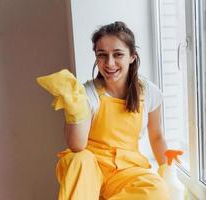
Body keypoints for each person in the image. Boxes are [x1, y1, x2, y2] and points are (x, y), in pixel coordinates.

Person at [37, 21, 179, 200]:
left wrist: (168, 173)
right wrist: (75, 108)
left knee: (156, 189)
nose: (109, 63)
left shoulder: (149, 92)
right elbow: (77, 146)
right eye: (102, 55)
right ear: (96, 58)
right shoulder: (87, 93)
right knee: (79, 159)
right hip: (90, 169)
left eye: (118, 54)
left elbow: (157, 137)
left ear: (132, 56)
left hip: (127, 170)